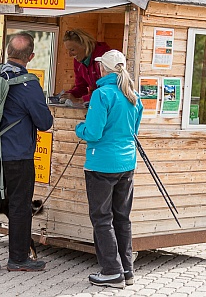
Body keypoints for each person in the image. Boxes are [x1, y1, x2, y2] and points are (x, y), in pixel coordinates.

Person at [0, 32, 54, 273]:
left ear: (7, 52)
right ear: (30, 56)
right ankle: (18, 259)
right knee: (19, 205)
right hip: (17, 156)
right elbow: (44, 122)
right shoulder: (28, 84)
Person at [75, 49, 143, 289]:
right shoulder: (134, 95)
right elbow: (134, 129)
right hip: (127, 164)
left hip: (101, 163)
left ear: (103, 69)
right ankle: (127, 270)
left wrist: (79, 128)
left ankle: (112, 272)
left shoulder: (101, 94)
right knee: (122, 217)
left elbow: (93, 132)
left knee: (102, 218)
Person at [61, 29, 112, 104]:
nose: (70, 54)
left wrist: (81, 100)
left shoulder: (103, 58)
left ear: (84, 45)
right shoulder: (78, 61)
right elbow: (81, 87)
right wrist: (68, 95)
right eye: (68, 50)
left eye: (72, 50)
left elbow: (108, 91)